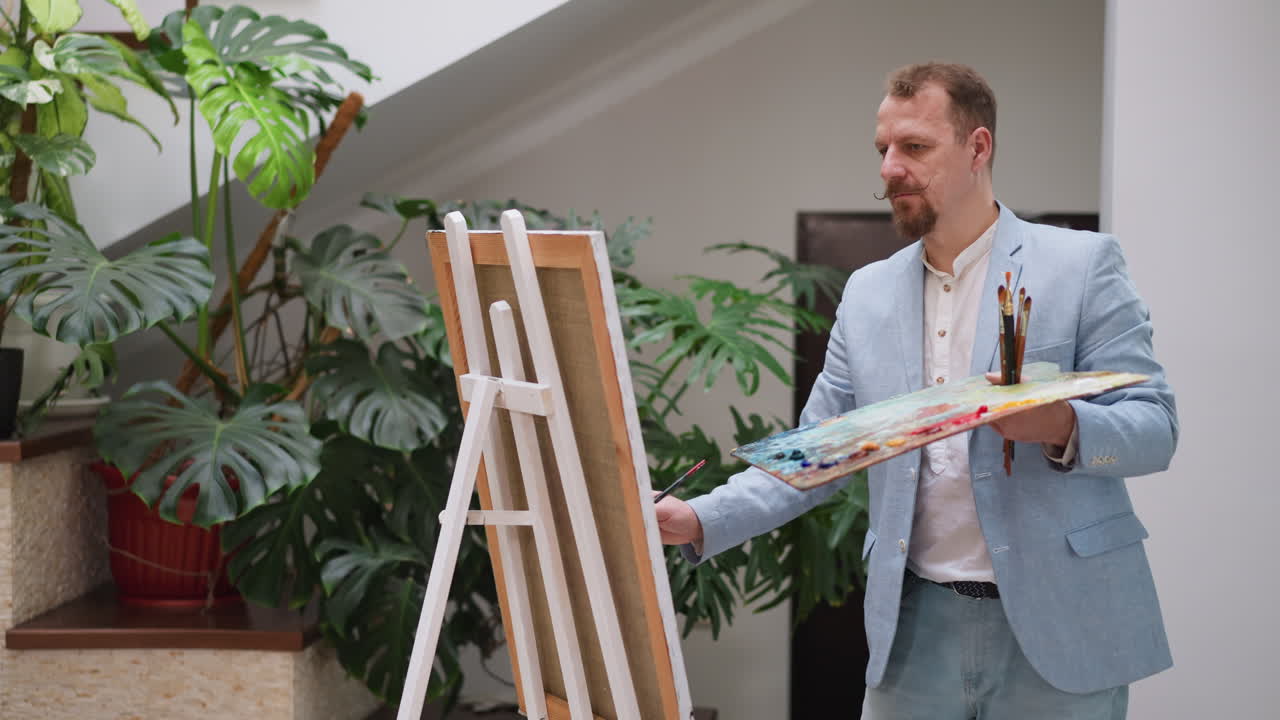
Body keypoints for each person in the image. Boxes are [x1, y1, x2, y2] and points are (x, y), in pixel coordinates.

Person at [655, 62, 1176, 720]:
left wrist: (1060, 425)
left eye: (915, 148)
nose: (889, 169)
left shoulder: (1081, 265)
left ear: (978, 147)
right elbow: (820, 450)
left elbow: (1155, 426)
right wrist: (703, 517)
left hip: (1063, 620)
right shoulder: (867, 295)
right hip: (912, 630)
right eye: (883, 150)